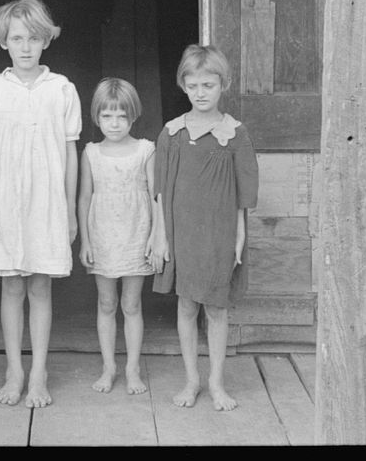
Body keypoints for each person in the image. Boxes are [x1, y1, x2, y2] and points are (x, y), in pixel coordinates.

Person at [0, 0, 81, 408]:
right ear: (3, 41)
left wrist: (69, 209)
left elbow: (70, 152)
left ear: (46, 42)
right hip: (6, 203)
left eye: (33, 38)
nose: (25, 47)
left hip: (47, 202)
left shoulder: (62, 89)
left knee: (40, 287)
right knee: (11, 286)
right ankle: (13, 369)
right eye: (17, 38)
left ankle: (39, 372)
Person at [149, 44, 258, 411]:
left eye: (208, 85)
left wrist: (240, 239)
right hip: (182, 235)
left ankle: (216, 382)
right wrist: (160, 236)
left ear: (222, 84)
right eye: (193, 85)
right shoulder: (172, 133)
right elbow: (161, 192)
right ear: (183, 85)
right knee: (185, 306)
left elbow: (244, 196)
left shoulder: (235, 134)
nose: (200, 92)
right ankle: (192, 379)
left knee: (216, 308)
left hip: (218, 235)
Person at [78, 78, 156, 395]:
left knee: (132, 304)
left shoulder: (145, 150)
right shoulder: (91, 153)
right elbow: (84, 197)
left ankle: (132, 368)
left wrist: (155, 236)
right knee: (107, 302)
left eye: (121, 116)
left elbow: (154, 196)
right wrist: (85, 239)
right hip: (102, 236)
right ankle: (109, 366)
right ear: (97, 117)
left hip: (136, 234)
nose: (114, 123)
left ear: (132, 116)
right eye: (107, 116)